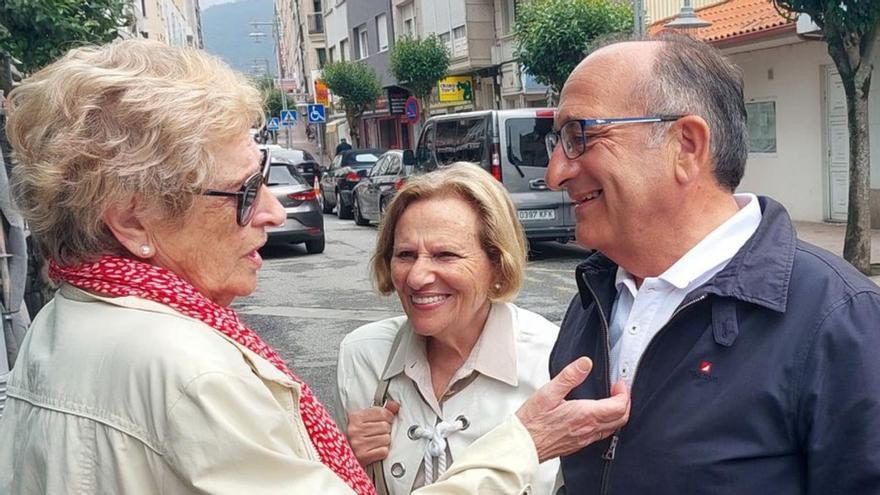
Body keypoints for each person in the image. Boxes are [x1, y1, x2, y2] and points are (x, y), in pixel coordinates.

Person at [0, 39, 631, 494]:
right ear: (133, 220)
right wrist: (522, 443)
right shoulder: (190, 372)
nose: (274, 212)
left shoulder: (59, 326)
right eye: (246, 191)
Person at [543, 33, 880, 494]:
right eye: (558, 142)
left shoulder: (839, 319)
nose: (555, 173)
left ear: (686, 145)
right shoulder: (595, 296)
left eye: (580, 136)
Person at [337, 163, 565, 494]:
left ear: (498, 265)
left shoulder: (550, 361)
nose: (416, 277)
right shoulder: (363, 356)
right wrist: (344, 463)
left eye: (445, 255)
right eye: (405, 254)